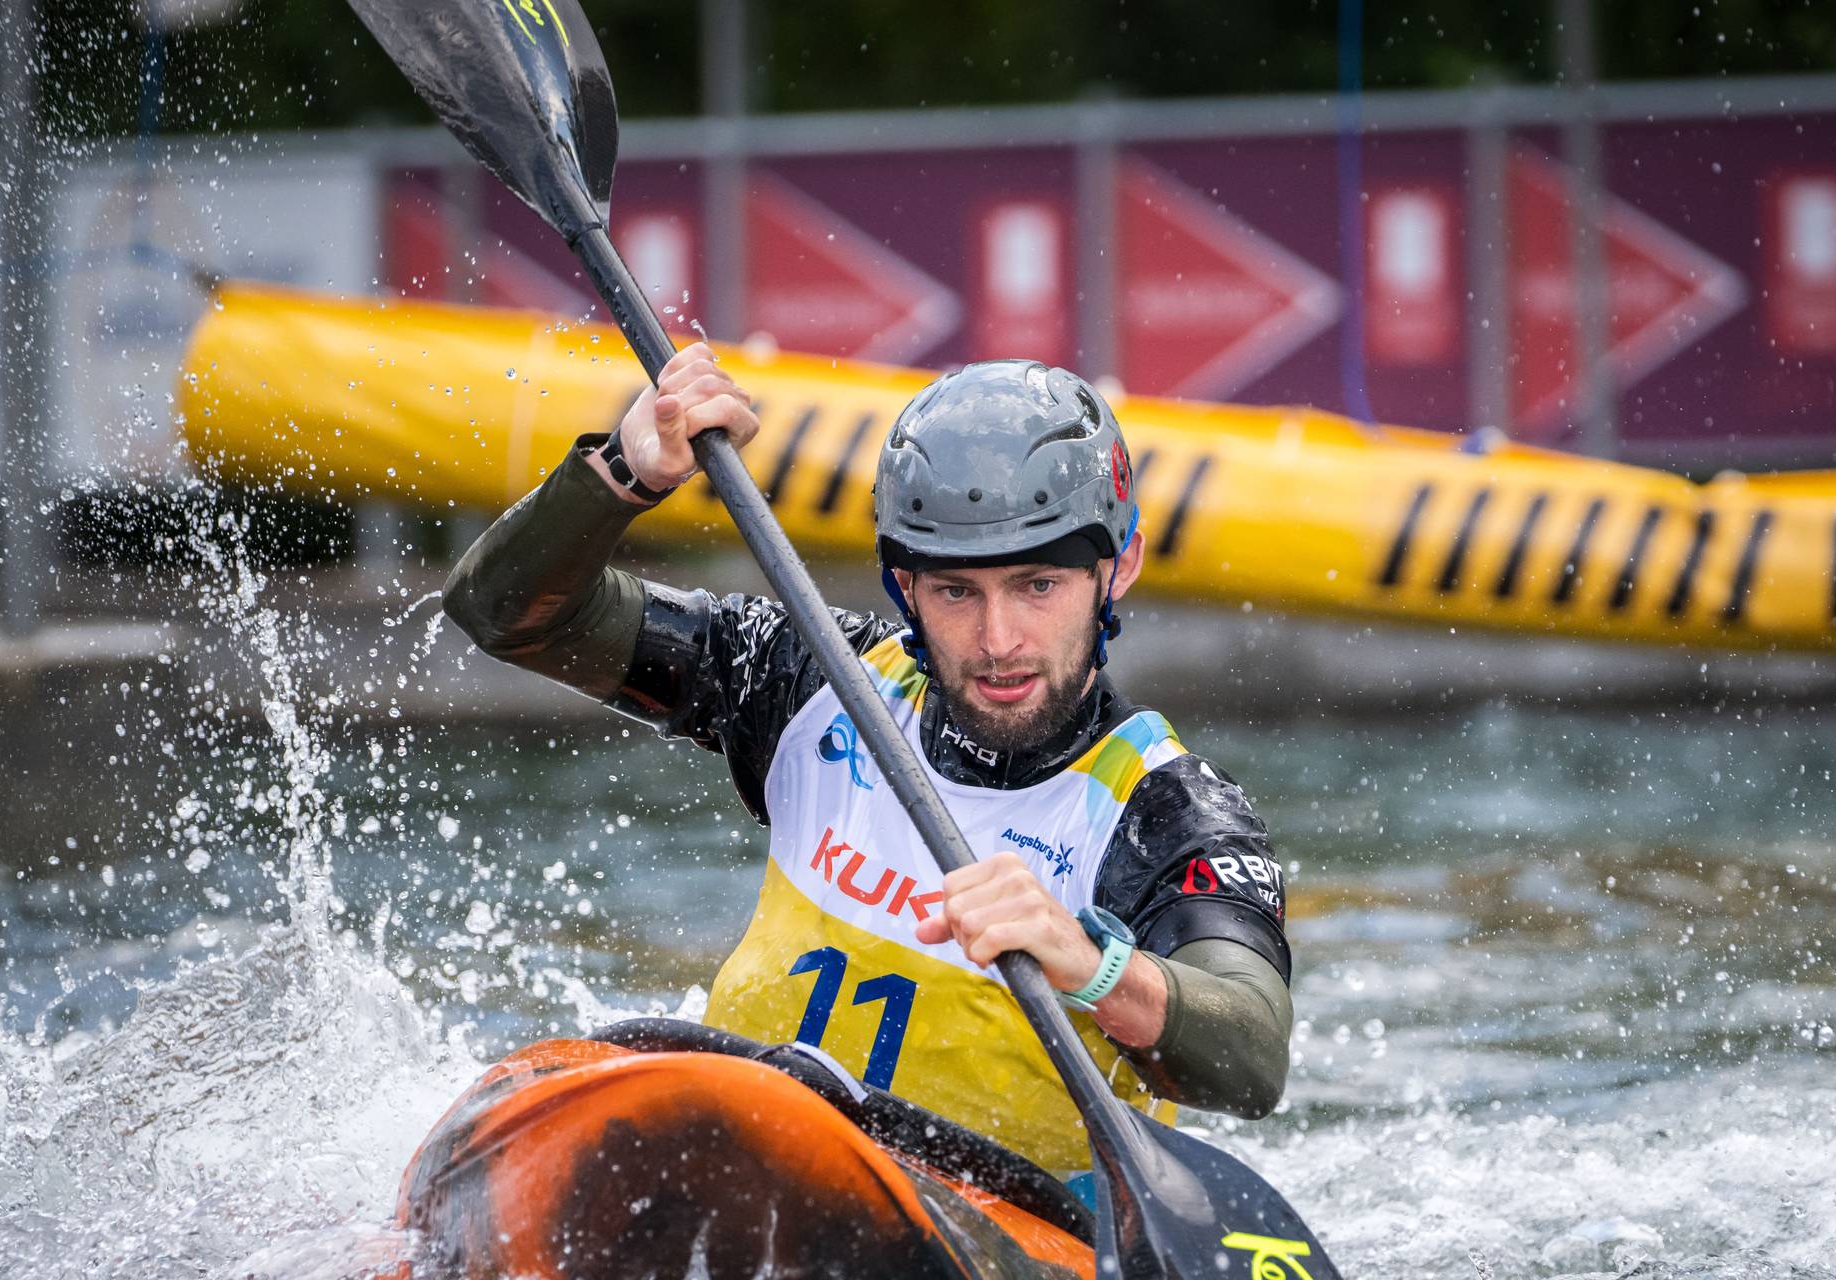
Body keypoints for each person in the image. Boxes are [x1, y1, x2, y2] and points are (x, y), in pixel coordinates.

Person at [442, 343, 1293, 1178]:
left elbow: (1252, 1059)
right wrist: (624, 475)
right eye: (956, 591)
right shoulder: (813, 679)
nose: (999, 640)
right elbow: (505, 615)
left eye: (1038, 586)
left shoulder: (1170, 814)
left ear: (1118, 568)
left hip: (995, 1223)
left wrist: (1094, 967)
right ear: (904, 585)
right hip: (739, 1158)